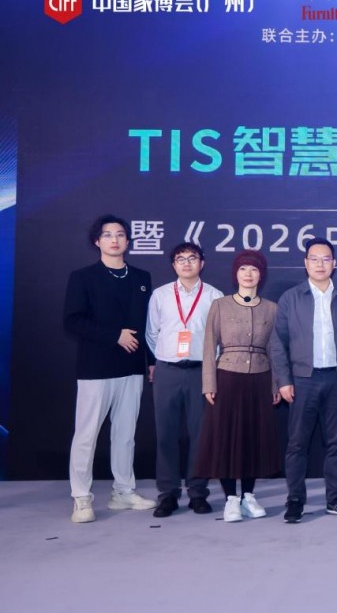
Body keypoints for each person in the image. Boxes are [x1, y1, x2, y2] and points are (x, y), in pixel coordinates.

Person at [64, 214, 156, 522]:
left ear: (128, 241)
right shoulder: (83, 277)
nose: (114, 240)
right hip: (96, 367)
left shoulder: (142, 277)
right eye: (107, 235)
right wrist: (114, 335)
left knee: (126, 434)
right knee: (86, 435)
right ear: (97, 241)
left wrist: (152, 361)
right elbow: (73, 320)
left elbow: (148, 325)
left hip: (132, 367)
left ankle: (123, 492)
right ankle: (81, 498)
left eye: (119, 234)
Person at [270, 239, 337, 523]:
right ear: (306, 263)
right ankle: (295, 499)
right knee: (297, 444)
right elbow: (278, 343)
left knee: (336, 443)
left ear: (334, 263)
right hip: (303, 380)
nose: (320, 264)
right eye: (314, 259)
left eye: (326, 259)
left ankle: (335, 499)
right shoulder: (291, 298)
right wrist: (283, 380)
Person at [195, 250, 281, 523]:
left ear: (261, 275)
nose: (248, 274)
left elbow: (275, 349)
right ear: (235, 274)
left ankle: (248, 496)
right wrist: (209, 382)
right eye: (243, 269)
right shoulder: (220, 305)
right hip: (228, 376)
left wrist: (276, 384)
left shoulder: (271, 308)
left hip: (260, 377)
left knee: (253, 438)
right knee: (227, 438)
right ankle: (231, 499)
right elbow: (209, 345)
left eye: (254, 269)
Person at [145, 242, 223, 518]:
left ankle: (198, 492)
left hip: (201, 372)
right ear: (173, 265)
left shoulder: (214, 296)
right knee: (166, 434)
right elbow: (152, 333)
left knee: (200, 435)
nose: (187, 263)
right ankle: (167, 494)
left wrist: (211, 368)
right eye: (180, 259)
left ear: (202, 263)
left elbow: (219, 338)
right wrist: (163, 358)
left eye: (192, 258)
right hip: (167, 370)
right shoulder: (160, 295)